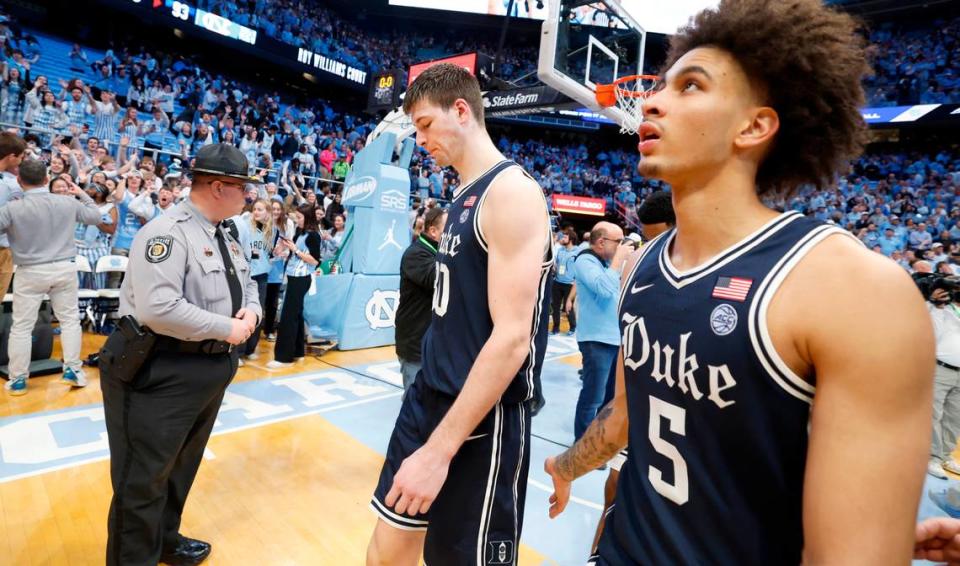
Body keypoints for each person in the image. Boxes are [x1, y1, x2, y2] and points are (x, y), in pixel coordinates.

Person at [544, 1, 934, 564]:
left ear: (754, 126)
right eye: (659, 85)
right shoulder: (648, 265)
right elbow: (627, 417)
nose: (651, 100)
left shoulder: (853, 289)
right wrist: (565, 464)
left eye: (691, 86)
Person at [367, 63, 553, 566]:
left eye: (425, 124)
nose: (420, 139)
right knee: (386, 553)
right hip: (430, 394)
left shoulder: (511, 192)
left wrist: (439, 450)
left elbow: (513, 339)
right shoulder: (463, 194)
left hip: (480, 420)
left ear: (462, 111)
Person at [100, 144, 261, 565]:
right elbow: (160, 309)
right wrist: (229, 327)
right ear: (220, 187)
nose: (249, 196)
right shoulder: (167, 233)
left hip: (207, 369)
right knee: (143, 477)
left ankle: (164, 540)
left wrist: (254, 311)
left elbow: (249, 284)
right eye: (243, 188)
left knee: (179, 467)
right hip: (159, 368)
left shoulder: (225, 232)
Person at [587, 190, 676, 559]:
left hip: (680, 429)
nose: (650, 245)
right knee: (615, 486)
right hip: (638, 403)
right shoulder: (639, 268)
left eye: (659, 237)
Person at [0, 159, 101, 395]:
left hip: (30, 270)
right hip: (64, 268)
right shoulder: (67, 202)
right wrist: (82, 193)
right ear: (47, 179)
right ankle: (73, 370)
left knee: (22, 327)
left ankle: (17, 379)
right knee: (69, 321)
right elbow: (96, 217)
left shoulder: (12, 208)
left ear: (19, 180)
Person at [569, 222, 631, 441]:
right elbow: (604, 289)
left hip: (615, 338)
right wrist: (618, 260)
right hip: (596, 340)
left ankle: (599, 443)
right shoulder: (585, 260)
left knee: (609, 399)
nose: (622, 246)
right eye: (619, 241)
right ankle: (582, 446)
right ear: (601, 241)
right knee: (593, 397)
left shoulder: (606, 264)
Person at [395, 206, 447, 392]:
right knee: (414, 398)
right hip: (415, 342)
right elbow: (438, 279)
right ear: (433, 231)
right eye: (449, 230)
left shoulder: (436, 252)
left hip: (433, 341)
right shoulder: (416, 254)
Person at [266, 204, 321, 369]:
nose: (297, 220)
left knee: (288, 316)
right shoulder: (300, 232)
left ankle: (283, 358)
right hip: (293, 275)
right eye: (296, 217)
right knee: (295, 314)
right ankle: (298, 352)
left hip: (302, 278)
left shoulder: (313, 236)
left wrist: (295, 250)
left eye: (300, 217)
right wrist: (286, 248)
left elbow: (315, 261)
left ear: (308, 217)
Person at [927, 285, 960, 479]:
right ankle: (933, 457)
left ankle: (946, 455)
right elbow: (933, 334)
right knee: (934, 414)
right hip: (941, 368)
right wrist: (938, 305)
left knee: (955, 417)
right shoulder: (941, 310)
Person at [238, 198, 274, 361]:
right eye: (255, 209)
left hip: (262, 276)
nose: (256, 212)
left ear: (267, 212)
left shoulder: (272, 231)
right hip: (245, 274)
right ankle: (238, 350)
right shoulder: (245, 225)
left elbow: (271, 254)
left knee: (257, 312)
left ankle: (250, 349)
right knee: (242, 311)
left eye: (260, 209)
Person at [0, 132, 25, 297]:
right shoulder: (5, 186)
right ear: (11, 157)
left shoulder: (5, 182)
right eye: (21, 156)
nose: (22, 160)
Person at [551, 230, 577, 336]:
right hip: (557, 282)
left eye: (565, 237)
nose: (562, 239)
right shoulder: (560, 250)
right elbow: (557, 263)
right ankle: (555, 328)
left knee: (568, 307)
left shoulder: (577, 252)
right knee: (555, 306)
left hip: (569, 284)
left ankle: (572, 327)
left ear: (571, 239)